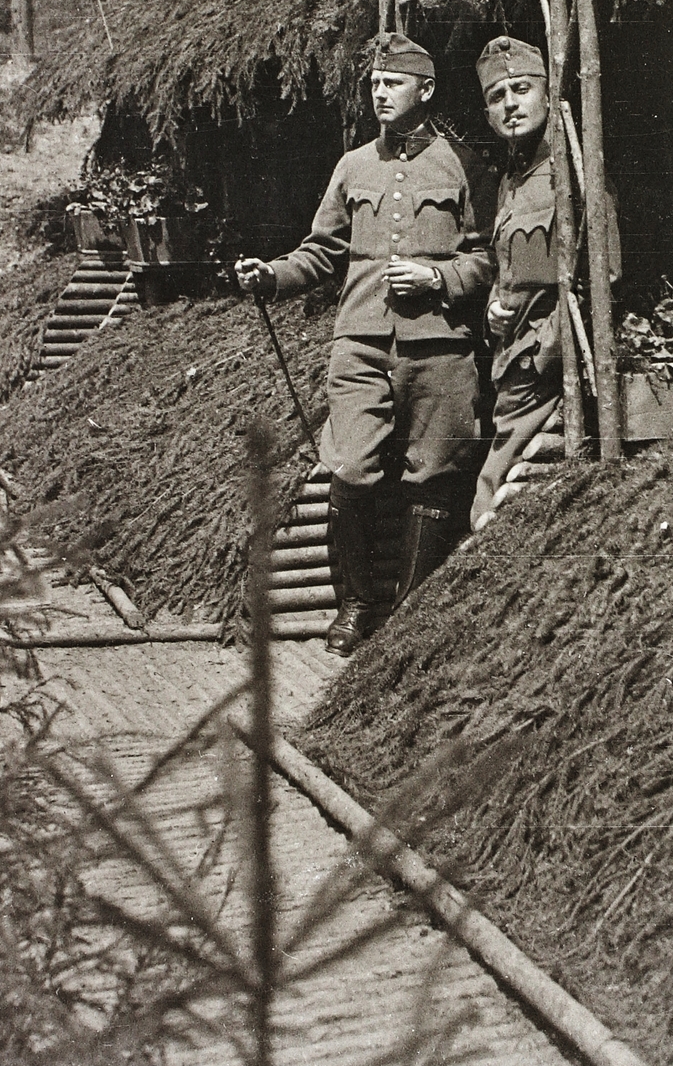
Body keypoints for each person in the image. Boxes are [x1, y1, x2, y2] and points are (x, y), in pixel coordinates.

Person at [235, 32, 496, 655]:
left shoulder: (465, 165)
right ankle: (353, 605)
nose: (380, 93)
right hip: (361, 342)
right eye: (374, 83)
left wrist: (440, 276)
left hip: (440, 345)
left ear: (424, 91)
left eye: (392, 83)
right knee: (350, 467)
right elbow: (322, 251)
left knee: (434, 472)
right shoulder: (353, 166)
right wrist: (272, 275)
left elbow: (489, 258)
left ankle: (409, 614)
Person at [471, 35, 620, 531]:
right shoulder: (509, 182)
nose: (511, 104)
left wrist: (550, 349)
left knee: (492, 502)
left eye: (521, 89)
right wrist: (493, 305)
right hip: (511, 370)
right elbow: (507, 270)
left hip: (550, 367)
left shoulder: (573, 171)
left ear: (546, 93)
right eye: (497, 97)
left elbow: (606, 270)